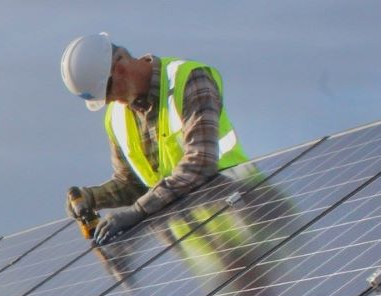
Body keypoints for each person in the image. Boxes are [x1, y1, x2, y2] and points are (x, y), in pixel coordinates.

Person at [60, 33, 248, 245]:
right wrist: (93, 197)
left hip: (244, 218)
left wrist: (139, 210)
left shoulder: (188, 79)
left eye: (109, 92)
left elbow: (201, 162)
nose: (112, 101)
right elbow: (131, 184)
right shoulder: (116, 118)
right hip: (201, 242)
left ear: (120, 68)